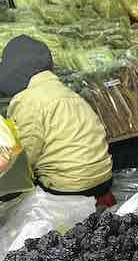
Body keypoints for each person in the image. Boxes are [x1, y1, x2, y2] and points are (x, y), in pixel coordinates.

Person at [0, 36, 113, 203]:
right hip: (103, 176)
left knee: (17, 192)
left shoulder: (27, 100)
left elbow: (26, 151)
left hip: (69, 185)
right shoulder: (66, 92)